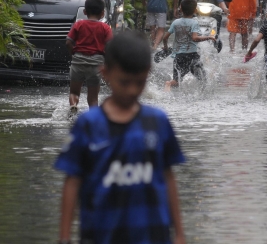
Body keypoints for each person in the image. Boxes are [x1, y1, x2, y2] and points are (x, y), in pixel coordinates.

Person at [55, 31, 187, 244]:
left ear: (147, 74)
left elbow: (168, 176)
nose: (132, 90)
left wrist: (179, 234)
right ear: (105, 73)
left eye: (140, 82)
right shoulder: (89, 125)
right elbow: (72, 181)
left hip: (152, 235)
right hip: (101, 234)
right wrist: (64, 237)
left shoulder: (157, 122)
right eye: (124, 82)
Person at [66, 0, 113, 117]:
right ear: (102, 13)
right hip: (96, 64)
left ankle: (73, 105)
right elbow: (110, 47)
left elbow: (68, 42)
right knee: (93, 98)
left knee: (74, 92)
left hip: (78, 61)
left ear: (85, 11)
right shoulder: (105, 28)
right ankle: (94, 118)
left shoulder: (79, 24)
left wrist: (74, 53)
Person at [163, 0, 215, 89]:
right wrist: (208, 37)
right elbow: (194, 38)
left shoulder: (175, 22)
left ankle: (168, 84)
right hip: (192, 56)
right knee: (202, 78)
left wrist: (166, 48)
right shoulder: (194, 23)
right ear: (195, 10)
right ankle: (202, 96)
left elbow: (165, 37)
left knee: (176, 81)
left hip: (178, 56)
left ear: (181, 9)